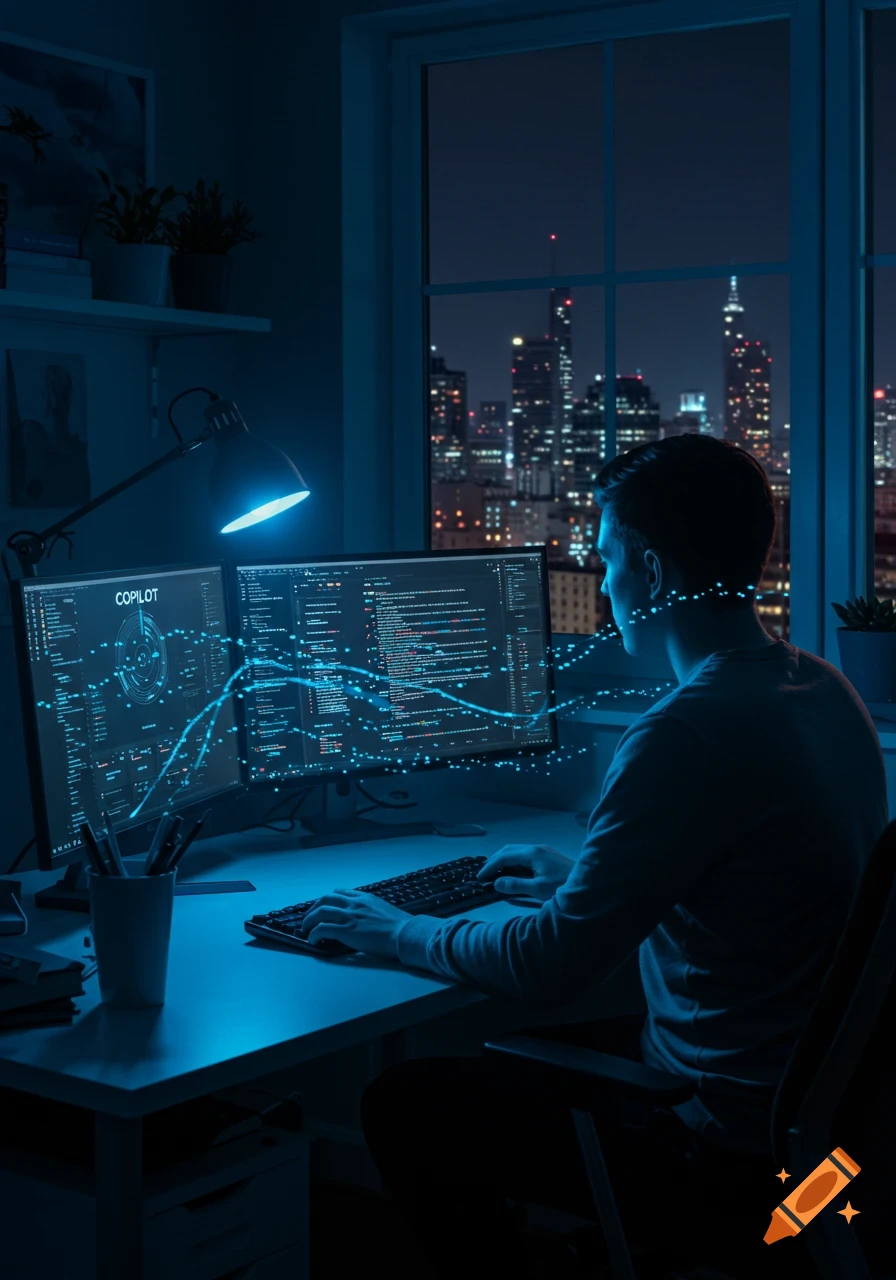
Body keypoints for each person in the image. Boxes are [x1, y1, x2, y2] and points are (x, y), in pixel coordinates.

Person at [299, 435, 889, 1276]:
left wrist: (398, 931)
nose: (603, 584)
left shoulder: (685, 733)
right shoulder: (824, 691)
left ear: (649, 571)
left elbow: (548, 967)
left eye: (608, 560)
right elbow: (749, 886)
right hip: (817, 1129)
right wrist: (585, 879)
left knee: (404, 1103)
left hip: (714, 1138)